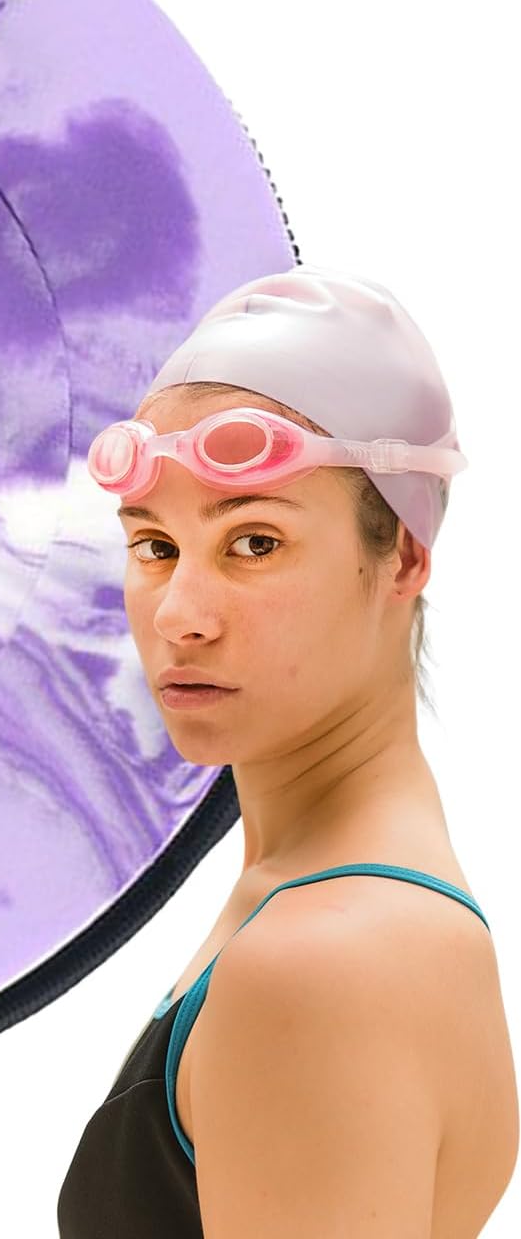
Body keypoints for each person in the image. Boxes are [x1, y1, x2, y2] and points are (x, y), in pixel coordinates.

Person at [56, 266, 517, 1237]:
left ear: (403, 557)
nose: (178, 616)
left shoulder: (327, 962)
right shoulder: (330, 908)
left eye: (253, 542)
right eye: (154, 546)